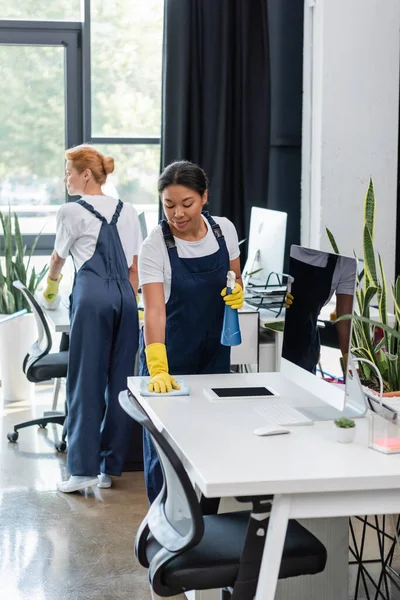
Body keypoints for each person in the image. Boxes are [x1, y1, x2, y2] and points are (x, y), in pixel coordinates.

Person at [138, 160, 244, 502]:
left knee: (210, 441)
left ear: (204, 198)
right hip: (171, 354)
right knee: (167, 448)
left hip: (214, 352)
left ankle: (207, 533)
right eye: (169, 205)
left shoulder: (223, 230)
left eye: (187, 204)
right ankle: (166, 529)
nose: (177, 214)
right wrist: (158, 367)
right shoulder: (155, 245)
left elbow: (234, 277)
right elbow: (154, 311)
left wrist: (238, 291)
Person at [42, 144, 141, 493]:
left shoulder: (71, 211)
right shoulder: (128, 210)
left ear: (85, 174)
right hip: (126, 299)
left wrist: (51, 288)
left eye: (68, 171)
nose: (65, 178)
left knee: (84, 380)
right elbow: (134, 267)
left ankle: (82, 469)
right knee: (120, 382)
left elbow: (58, 259)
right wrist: (129, 301)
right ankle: (108, 468)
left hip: (92, 295)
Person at [283, 246, 357, 375]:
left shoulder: (345, 261)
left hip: (305, 350)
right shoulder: (286, 243)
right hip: (272, 341)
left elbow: (345, 321)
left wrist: (349, 364)